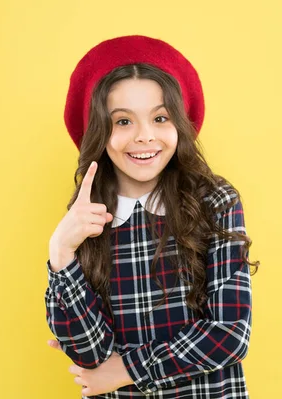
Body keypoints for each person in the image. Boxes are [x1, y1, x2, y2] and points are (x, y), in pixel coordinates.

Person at [44, 34, 259, 398]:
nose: (145, 137)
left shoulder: (215, 203)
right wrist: (61, 250)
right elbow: (90, 355)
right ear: (99, 130)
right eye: (123, 122)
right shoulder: (87, 218)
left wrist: (126, 367)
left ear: (180, 123)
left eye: (160, 118)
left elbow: (228, 335)